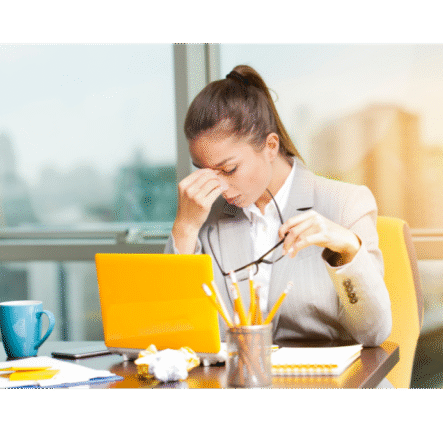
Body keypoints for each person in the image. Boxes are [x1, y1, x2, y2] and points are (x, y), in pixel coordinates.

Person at [165, 65, 392, 384]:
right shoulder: (203, 215)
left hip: (333, 388)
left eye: (228, 169)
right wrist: (185, 229)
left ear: (270, 147)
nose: (220, 188)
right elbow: (175, 333)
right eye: (203, 171)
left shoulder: (344, 202)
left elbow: (373, 331)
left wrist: (347, 248)